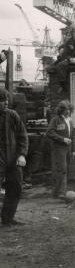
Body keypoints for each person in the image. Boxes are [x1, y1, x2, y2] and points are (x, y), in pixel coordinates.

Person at [0, 88, 28, 227]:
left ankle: (7, 219)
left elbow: (22, 136)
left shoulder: (12, 115)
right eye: (2, 101)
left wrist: (22, 154)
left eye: (6, 100)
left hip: (13, 158)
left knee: (16, 187)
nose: (5, 103)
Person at [46, 24, 75, 93]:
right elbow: (65, 54)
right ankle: (63, 85)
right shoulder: (68, 42)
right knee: (60, 65)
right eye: (74, 32)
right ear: (72, 33)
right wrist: (70, 59)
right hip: (70, 60)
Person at [46, 100, 75, 199]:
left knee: (65, 169)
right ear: (61, 110)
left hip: (67, 149)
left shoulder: (70, 120)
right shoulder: (56, 120)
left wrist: (73, 150)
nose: (67, 112)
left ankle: (57, 192)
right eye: (65, 109)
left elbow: (72, 136)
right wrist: (62, 139)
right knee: (61, 169)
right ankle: (61, 193)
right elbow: (49, 132)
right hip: (58, 149)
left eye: (69, 109)